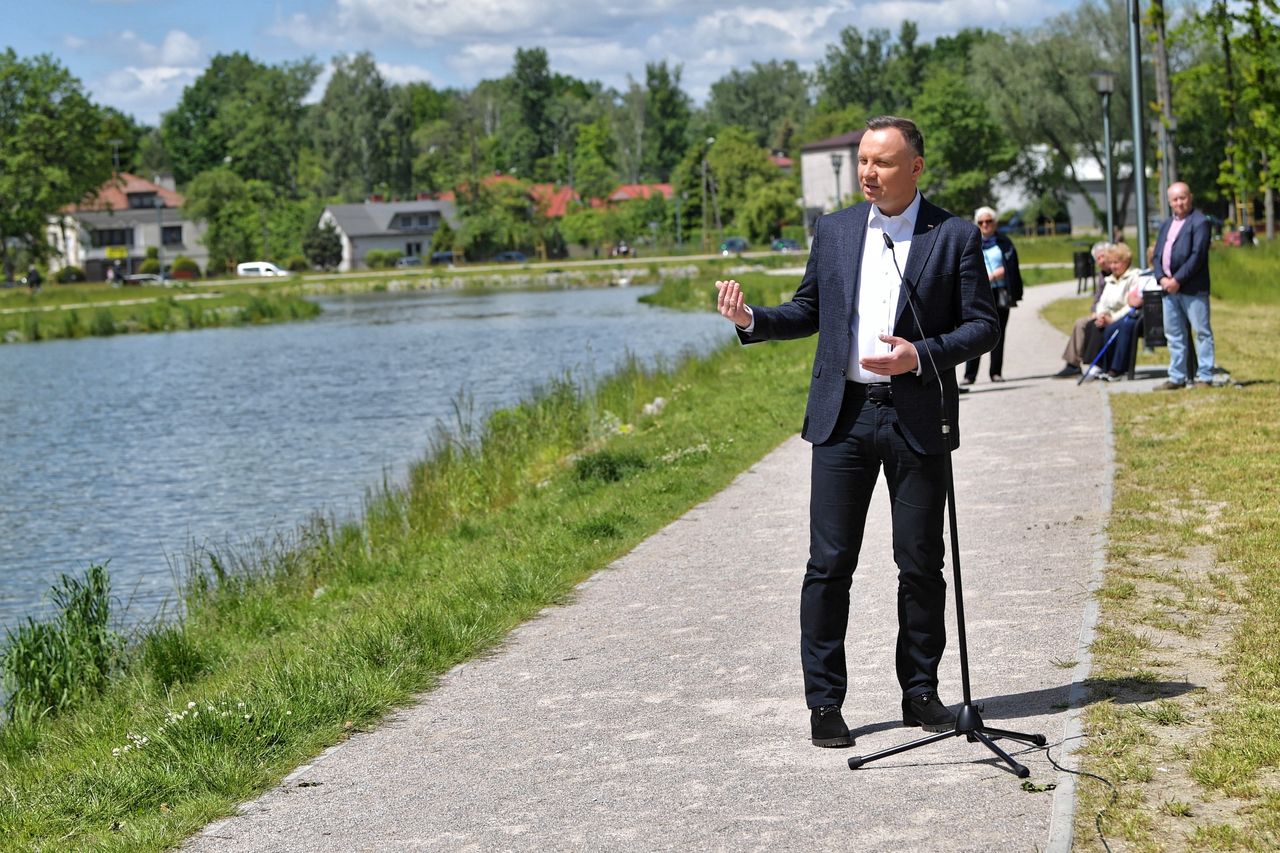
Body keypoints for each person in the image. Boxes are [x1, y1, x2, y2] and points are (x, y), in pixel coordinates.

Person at [714, 116, 999, 748]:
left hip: (917, 416)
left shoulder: (951, 236)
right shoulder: (837, 229)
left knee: (920, 563)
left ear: (916, 167)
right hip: (843, 418)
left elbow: (984, 326)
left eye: (884, 162)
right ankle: (824, 703)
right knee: (830, 563)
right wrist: (752, 318)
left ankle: (920, 694)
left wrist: (919, 355)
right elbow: (810, 310)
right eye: (864, 160)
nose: (869, 172)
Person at [1152, 181, 1214, 390]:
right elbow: (1158, 255)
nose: (1179, 202)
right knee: (1174, 334)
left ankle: (1204, 376)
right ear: (1169, 202)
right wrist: (1162, 278)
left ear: (1190, 197)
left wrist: (1177, 280)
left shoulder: (1200, 222)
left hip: (1192, 288)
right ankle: (1177, 376)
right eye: (1175, 199)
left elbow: (1197, 256)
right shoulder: (1166, 224)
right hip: (1168, 289)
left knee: (1201, 332)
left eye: (1183, 197)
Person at [962, 206, 1022, 384]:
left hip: (999, 291)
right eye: (981, 222)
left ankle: (996, 372)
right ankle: (969, 375)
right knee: (974, 333)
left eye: (989, 221)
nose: (985, 225)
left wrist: (999, 273)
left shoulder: (1004, 243)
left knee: (999, 333)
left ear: (995, 223)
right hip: (978, 293)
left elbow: (1012, 267)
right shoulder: (970, 242)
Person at [1079, 243, 1143, 380]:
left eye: (1116, 263)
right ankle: (1098, 364)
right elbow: (1102, 301)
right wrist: (1101, 314)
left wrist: (1113, 319)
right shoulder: (1110, 279)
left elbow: (1130, 304)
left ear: (1126, 262)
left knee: (1111, 328)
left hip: (1126, 315)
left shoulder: (1134, 276)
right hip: (1110, 315)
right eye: (1111, 263)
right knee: (1093, 325)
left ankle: (1114, 368)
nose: (1113, 266)